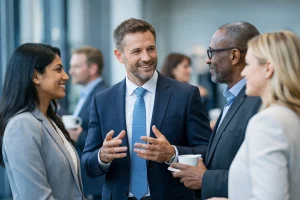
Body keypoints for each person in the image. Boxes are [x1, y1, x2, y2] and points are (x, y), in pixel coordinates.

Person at [81, 18, 211, 200]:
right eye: (137, 51)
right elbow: (87, 163)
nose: (147, 57)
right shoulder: (102, 100)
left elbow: (207, 150)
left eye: (151, 48)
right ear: (119, 56)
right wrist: (102, 156)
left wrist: (172, 153)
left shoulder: (186, 95)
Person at [171, 21, 261, 199]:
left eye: (211, 52)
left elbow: (260, 177)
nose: (207, 60)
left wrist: (205, 179)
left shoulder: (258, 102)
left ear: (234, 56)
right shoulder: (233, 97)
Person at [209, 30, 300, 200]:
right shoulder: (292, 114)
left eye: (249, 64)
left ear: (268, 68)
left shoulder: (268, 121)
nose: (243, 73)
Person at [0, 43, 85, 200]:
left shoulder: (51, 120)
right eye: (58, 69)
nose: (66, 76)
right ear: (35, 76)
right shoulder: (22, 125)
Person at [68, 46, 107, 200]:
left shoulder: (104, 95)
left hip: (98, 182)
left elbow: (110, 137)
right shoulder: (85, 94)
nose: (70, 72)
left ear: (93, 69)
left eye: (76, 66)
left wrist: (80, 137)